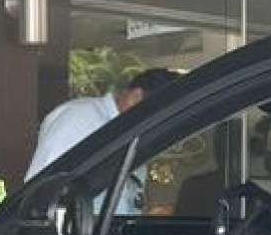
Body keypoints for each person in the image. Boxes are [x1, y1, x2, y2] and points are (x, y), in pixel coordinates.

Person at [27, 66, 177, 179]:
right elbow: (44, 183)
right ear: (136, 98)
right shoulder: (82, 117)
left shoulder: (131, 137)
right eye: (157, 118)